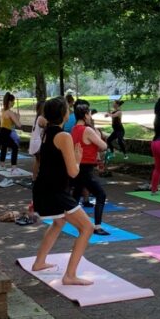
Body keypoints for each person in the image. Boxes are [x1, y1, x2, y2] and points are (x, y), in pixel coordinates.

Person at [31, 97, 95, 286]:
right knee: (87, 228)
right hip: (55, 192)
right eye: (67, 109)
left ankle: (39, 262)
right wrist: (77, 158)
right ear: (64, 114)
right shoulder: (63, 136)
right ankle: (70, 275)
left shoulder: (46, 132)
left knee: (58, 222)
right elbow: (73, 172)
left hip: (43, 189)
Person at [71, 102, 111, 236]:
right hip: (85, 168)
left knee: (76, 195)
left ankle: (70, 219)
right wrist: (98, 135)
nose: (90, 116)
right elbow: (104, 146)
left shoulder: (74, 129)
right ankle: (97, 226)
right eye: (89, 114)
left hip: (78, 166)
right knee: (101, 194)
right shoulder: (87, 130)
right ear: (85, 115)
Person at [0, 92, 21, 168]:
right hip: (5, 132)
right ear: (10, 102)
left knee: (4, 147)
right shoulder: (10, 112)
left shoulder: (3, 110)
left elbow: (11, 123)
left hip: (1, 131)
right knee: (15, 147)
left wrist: (15, 117)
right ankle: (14, 167)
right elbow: (19, 125)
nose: (14, 103)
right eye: (13, 101)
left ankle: (2, 165)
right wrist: (17, 117)